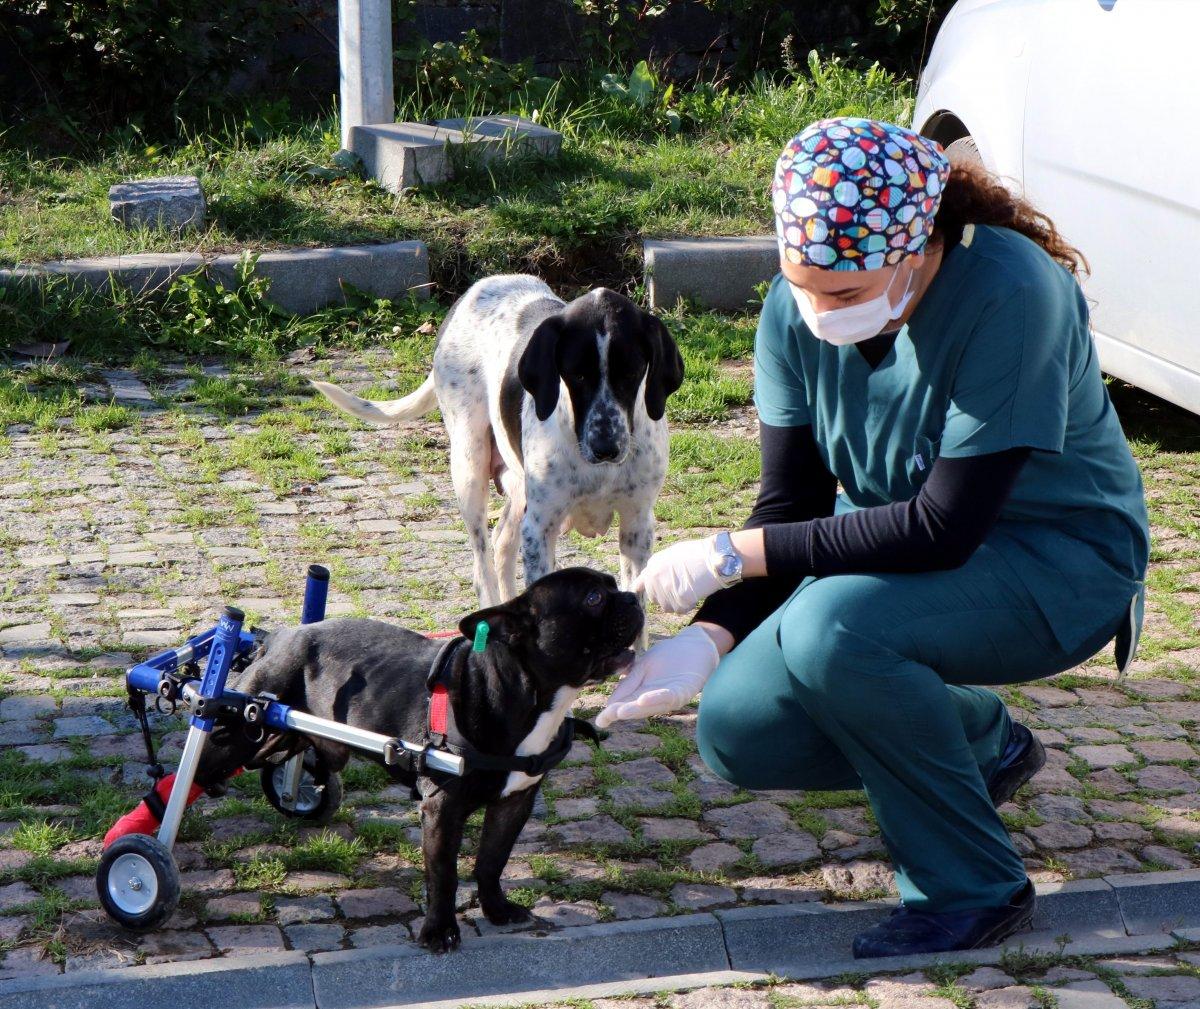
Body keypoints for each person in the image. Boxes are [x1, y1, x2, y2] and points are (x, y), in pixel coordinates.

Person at [595, 118, 1150, 958]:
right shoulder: (799, 306)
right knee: (737, 728)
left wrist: (728, 556)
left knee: (835, 632)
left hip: (1058, 560)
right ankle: (978, 740)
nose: (816, 312)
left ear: (918, 249)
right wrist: (709, 638)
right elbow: (793, 499)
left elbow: (944, 526)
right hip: (888, 557)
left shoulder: (1010, 293)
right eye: (801, 285)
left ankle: (971, 887)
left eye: (844, 294)